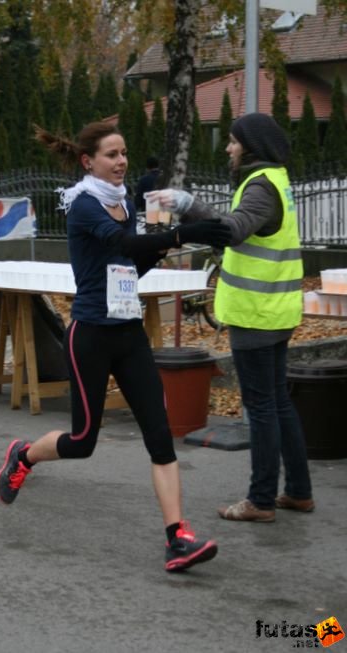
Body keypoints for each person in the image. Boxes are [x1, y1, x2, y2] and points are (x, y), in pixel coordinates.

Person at [0, 121, 232, 572]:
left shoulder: (123, 202)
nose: (121, 161)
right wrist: (184, 236)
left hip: (128, 332)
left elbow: (129, 264)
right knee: (83, 441)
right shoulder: (84, 205)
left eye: (124, 153)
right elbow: (123, 242)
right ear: (89, 161)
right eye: (112, 154)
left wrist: (162, 247)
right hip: (91, 335)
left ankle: (177, 538)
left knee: (160, 437)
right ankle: (22, 455)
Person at [150, 112, 314, 522]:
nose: (227, 148)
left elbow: (235, 229)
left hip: (257, 314)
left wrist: (189, 206)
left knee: (261, 407)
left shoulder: (260, 185)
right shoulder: (276, 180)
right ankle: (297, 492)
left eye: (233, 141)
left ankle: (260, 500)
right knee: (277, 403)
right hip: (275, 310)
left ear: (251, 146)